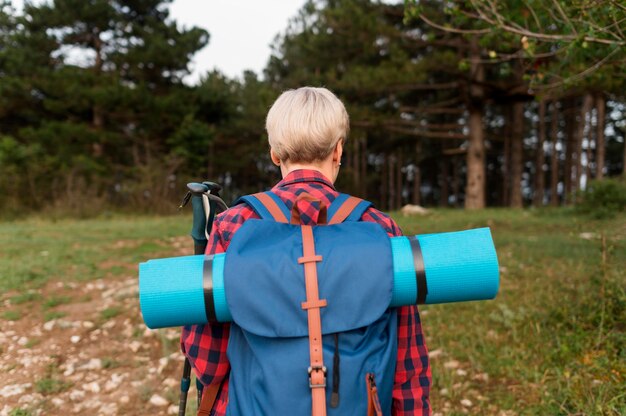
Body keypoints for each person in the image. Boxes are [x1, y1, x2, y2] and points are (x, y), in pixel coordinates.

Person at [181, 86, 431, 415]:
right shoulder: (379, 228)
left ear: (274, 153)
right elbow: (407, 363)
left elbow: (208, 359)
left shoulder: (233, 226)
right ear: (339, 150)